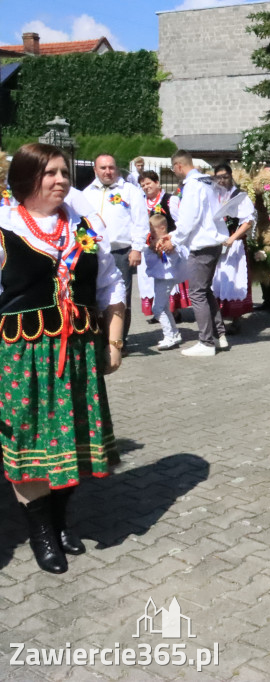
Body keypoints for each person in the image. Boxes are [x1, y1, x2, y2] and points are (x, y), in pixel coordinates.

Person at [0, 143, 125, 574]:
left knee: (73, 440)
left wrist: (113, 342)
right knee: (30, 443)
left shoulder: (85, 226)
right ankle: (40, 533)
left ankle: (61, 520)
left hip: (78, 354)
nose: (61, 180)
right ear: (25, 179)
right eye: (50, 173)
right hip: (23, 358)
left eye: (64, 173)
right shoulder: (4, 227)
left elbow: (111, 288)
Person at [160, 150, 230, 357]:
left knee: (197, 293)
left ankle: (206, 342)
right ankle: (220, 335)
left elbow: (189, 219)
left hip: (202, 244)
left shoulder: (192, 185)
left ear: (179, 166)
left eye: (174, 169)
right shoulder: (208, 182)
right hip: (214, 240)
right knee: (205, 290)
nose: (175, 173)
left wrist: (174, 239)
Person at [82, 154, 148, 344]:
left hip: (121, 252)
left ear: (116, 168)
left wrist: (137, 248)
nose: (107, 171)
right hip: (94, 252)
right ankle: (98, 336)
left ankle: (120, 340)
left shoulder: (130, 191)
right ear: (95, 170)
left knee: (120, 297)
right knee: (93, 294)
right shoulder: (87, 193)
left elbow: (140, 221)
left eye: (111, 167)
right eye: (103, 168)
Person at [138, 170, 189, 325]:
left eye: (148, 183)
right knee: (149, 279)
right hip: (149, 248)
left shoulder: (169, 200)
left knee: (167, 278)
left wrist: (170, 239)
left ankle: (173, 311)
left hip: (166, 247)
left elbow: (180, 223)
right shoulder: (141, 202)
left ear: (157, 183)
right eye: (143, 185)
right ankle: (158, 311)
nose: (146, 187)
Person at [211, 163, 256, 333]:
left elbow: (248, 221)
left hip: (235, 243)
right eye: (219, 177)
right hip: (217, 243)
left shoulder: (240, 196)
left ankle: (236, 317)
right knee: (218, 279)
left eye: (225, 177)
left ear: (231, 177)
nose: (222, 180)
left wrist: (232, 238)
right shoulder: (214, 195)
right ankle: (218, 318)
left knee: (234, 278)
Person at [145, 214, 187, 350]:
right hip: (160, 277)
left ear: (162, 228)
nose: (150, 234)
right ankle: (174, 333)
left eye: (153, 231)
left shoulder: (170, 242)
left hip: (166, 278)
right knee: (164, 307)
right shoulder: (154, 244)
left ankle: (169, 336)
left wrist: (160, 250)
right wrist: (151, 249)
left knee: (157, 309)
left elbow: (172, 260)